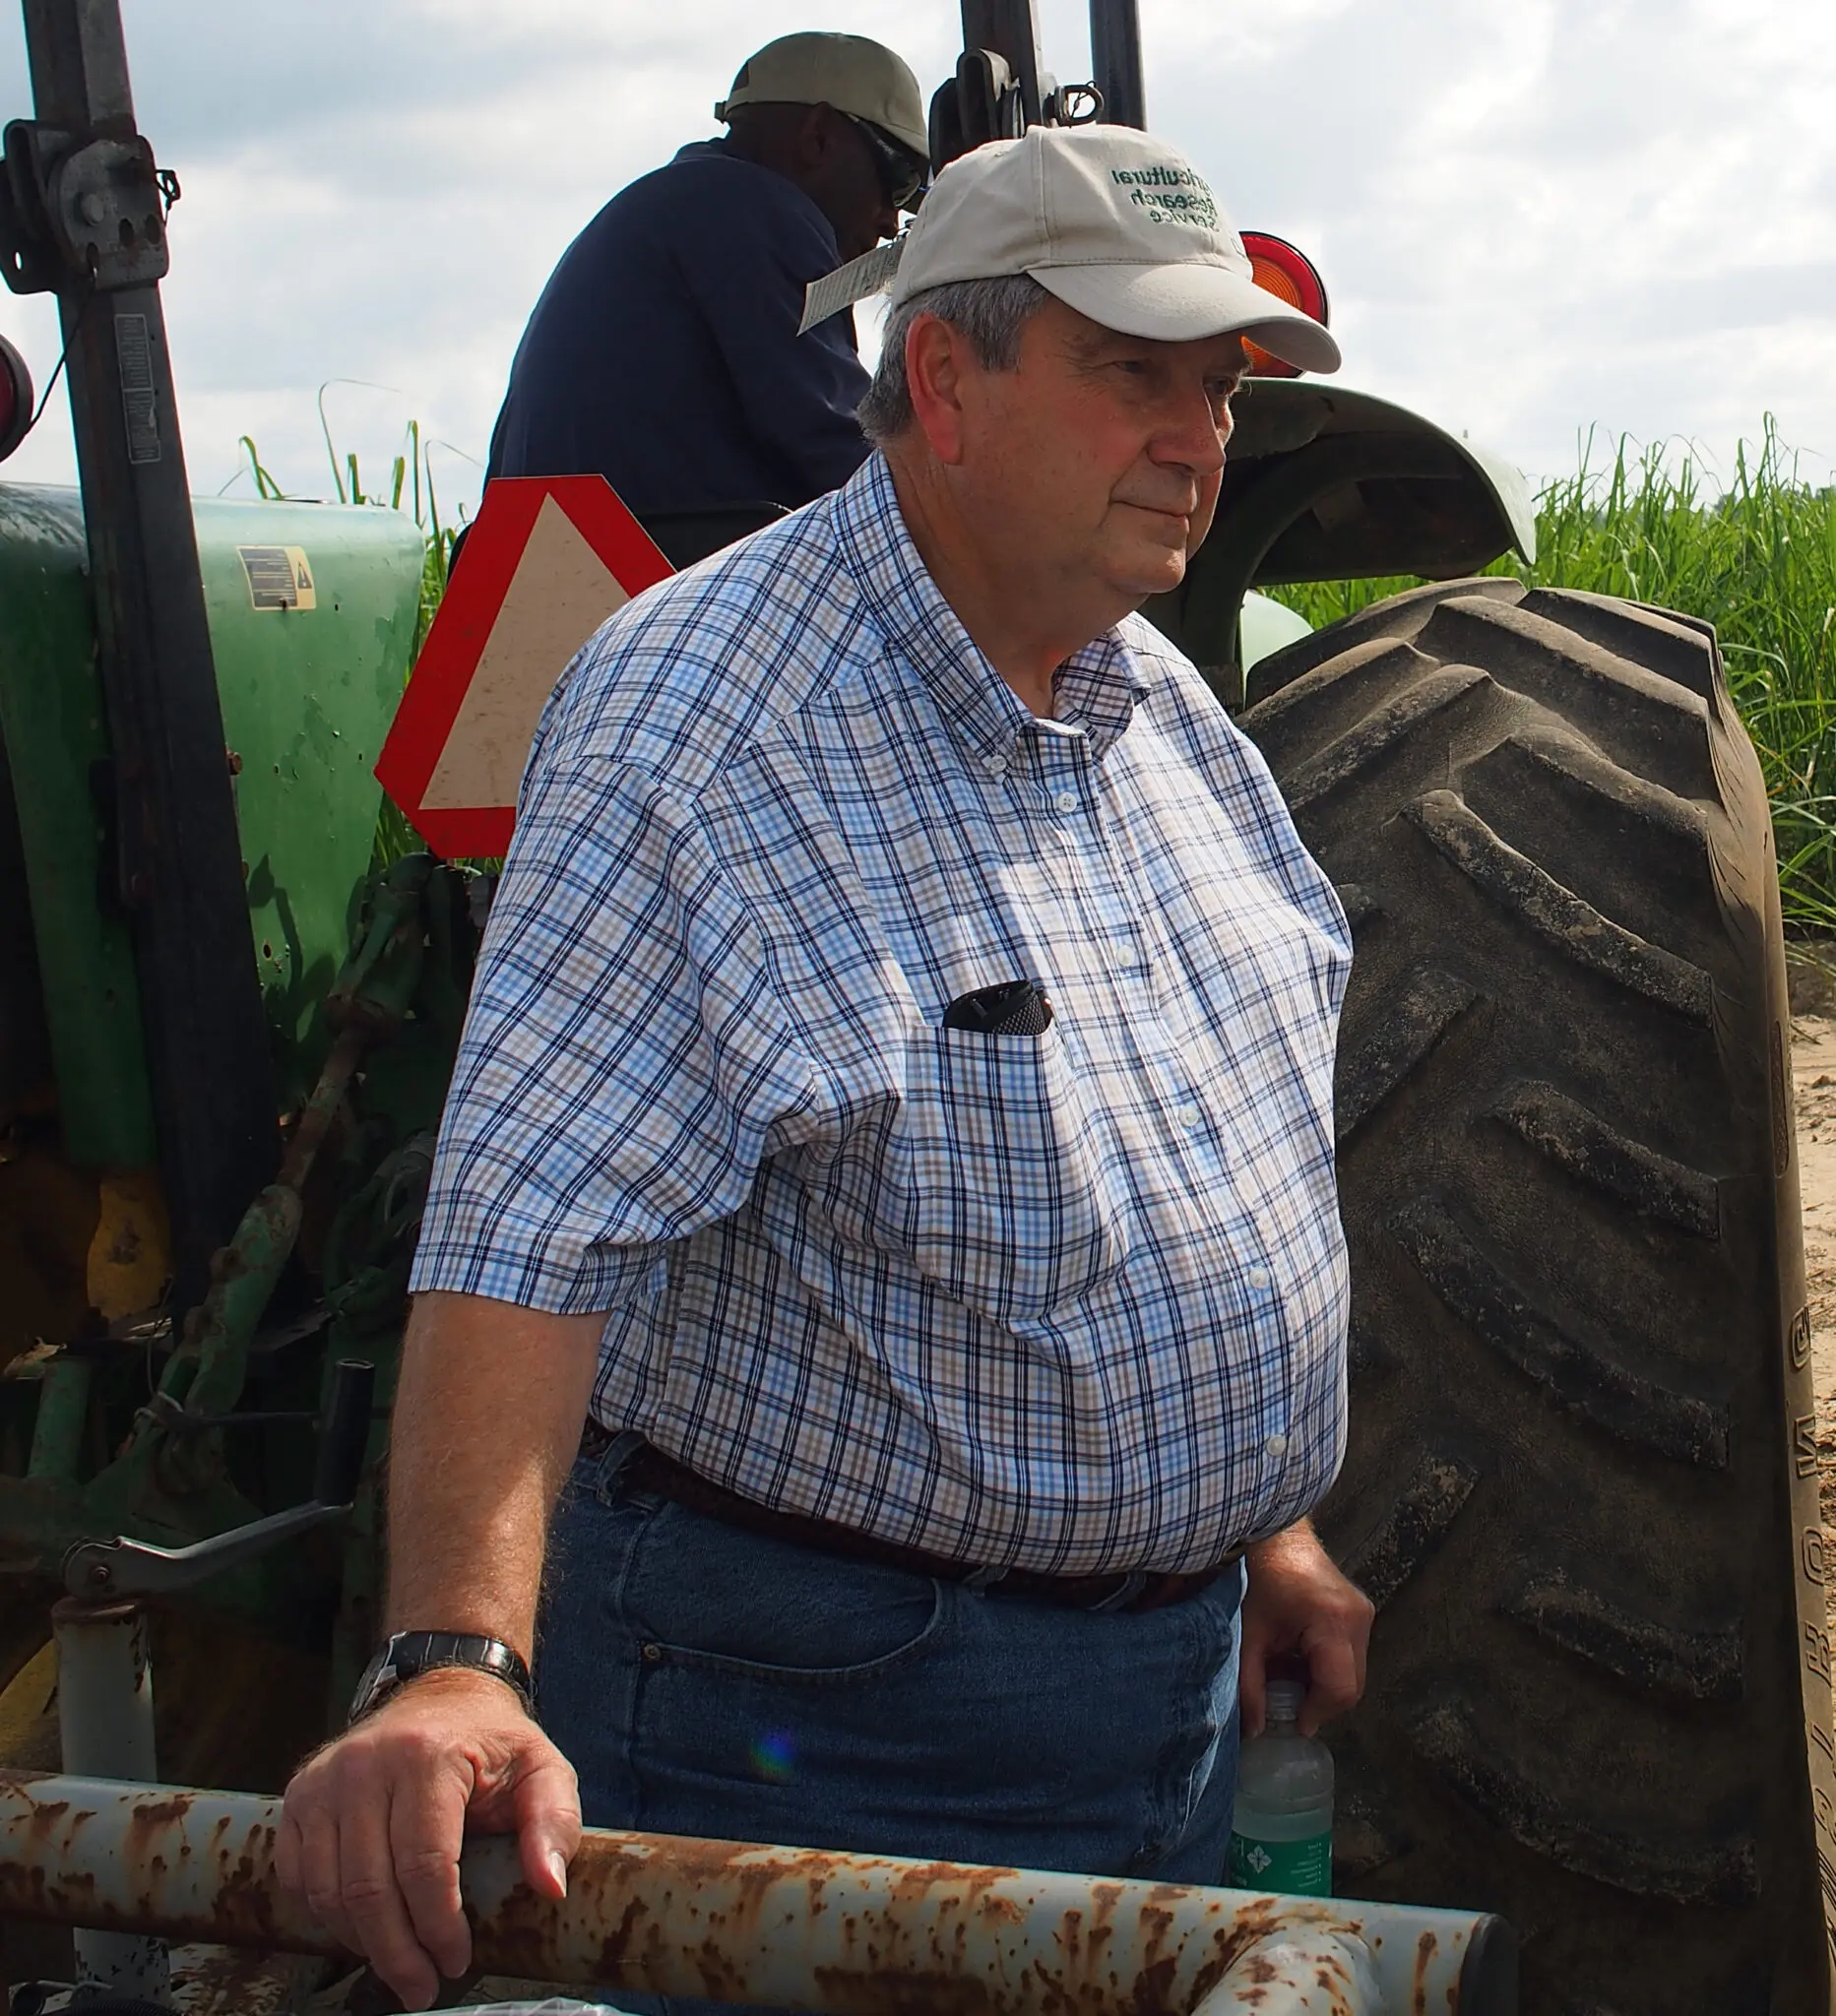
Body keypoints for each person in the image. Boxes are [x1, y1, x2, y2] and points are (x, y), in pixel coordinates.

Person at [280, 123, 1373, 2012]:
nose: (1197, 434)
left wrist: (1255, 1522)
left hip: (1183, 1714)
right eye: (1133, 369)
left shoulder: (1164, 710)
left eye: (1217, 384)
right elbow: (527, 1228)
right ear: (943, 379)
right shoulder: (705, 713)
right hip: (831, 1748)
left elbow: (1201, 1159)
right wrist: (455, 1657)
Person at [482, 32, 929, 519]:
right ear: (818, 137)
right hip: (651, 560)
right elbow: (849, 458)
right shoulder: (756, 210)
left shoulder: (672, 208)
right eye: (898, 180)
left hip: (548, 555)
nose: (890, 222)